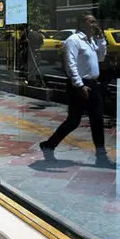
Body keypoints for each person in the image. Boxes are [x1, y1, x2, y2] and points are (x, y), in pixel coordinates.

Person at [39, 12, 115, 167]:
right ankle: (49, 145)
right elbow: (70, 64)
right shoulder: (73, 40)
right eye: (91, 22)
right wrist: (79, 85)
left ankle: (100, 156)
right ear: (82, 24)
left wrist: (101, 40)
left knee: (96, 119)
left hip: (92, 84)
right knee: (74, 121)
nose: (95, 25)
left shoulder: (91, 41)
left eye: (95, 22)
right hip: (80, 85)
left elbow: (101, 57)